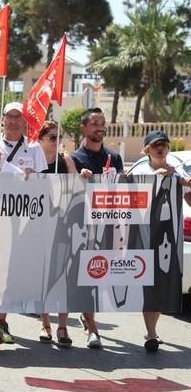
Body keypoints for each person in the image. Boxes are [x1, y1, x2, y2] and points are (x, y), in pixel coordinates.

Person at [0, 101, 47, 345]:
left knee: (10, 267)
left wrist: (32, 178)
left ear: (24, 121)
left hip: (21, 217)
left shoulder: (34, 147)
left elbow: (43, 185)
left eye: (18, 116)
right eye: (9, 116)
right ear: (2, 119)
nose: (14, 121)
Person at [127, 130, 191, 352]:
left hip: (169, 235)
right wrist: (157, 178)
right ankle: (151, 333)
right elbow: (127, 193)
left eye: (164, 144)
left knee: (162, 282)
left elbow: (188, 197)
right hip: (144, 235)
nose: (160, 148)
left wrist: (186, 183)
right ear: (147, 149)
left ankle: (152, 330)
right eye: (156, 145)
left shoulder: (177, 170)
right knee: (148, 284)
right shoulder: (140, 168)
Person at [69, 107, 124, 350]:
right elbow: (67, 194)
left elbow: (123, 191)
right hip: (83, 227)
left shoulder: (115, 157)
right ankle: (93, 328)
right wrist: (78, 178)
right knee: (88, 276)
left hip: (109, 225)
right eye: (94, 123)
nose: (99, 127)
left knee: (100, 278)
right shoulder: (73, 158)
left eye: (102, 123)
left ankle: (86, 315)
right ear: (83, 127)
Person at [36, 121, 77, 348]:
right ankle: (45, 324)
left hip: (63, 225)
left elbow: (76, 188)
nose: (55, 141)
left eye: (57, 137)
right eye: (51, 137)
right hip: (38, 226)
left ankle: (63, 326)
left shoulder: (65, 160)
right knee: (43, 278)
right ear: (40, 139)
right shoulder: (33, 159)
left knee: (63, 277)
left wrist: (84, 176)